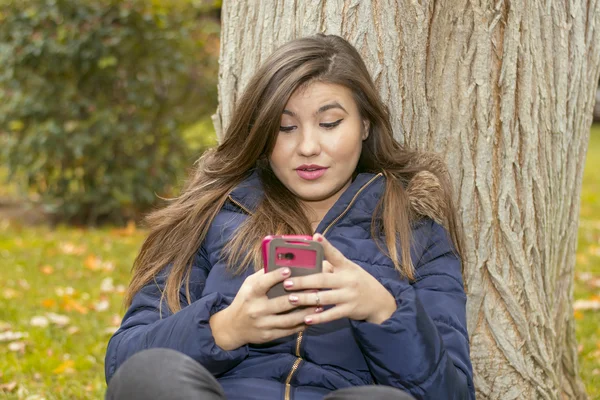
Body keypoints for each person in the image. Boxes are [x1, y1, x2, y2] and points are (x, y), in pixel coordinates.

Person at [104, 34, 475, 400]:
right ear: (264, 134)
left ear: (364, 125)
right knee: (147, 375)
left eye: (329, 123)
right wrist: (225, 329)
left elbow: (451, 393)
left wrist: (383, 311)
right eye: (286, 128)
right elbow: (125, 363)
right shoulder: (213, 215)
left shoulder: (418, 236)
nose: (308, 147)